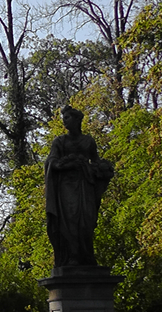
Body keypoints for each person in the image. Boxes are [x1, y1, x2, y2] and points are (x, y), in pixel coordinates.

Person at [45, 105, 114, 267]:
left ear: (77, 120)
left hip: (86, 185)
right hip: (67, 187)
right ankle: (72, 256)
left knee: (87, 221)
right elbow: (51, 162)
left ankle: (86, 255)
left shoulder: (88, 141)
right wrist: (68, 163)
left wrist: (104, 168)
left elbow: (96, 161)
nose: (64, 121)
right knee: (69, 221)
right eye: (64, 118)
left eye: (67, 118)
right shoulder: (59, 142)